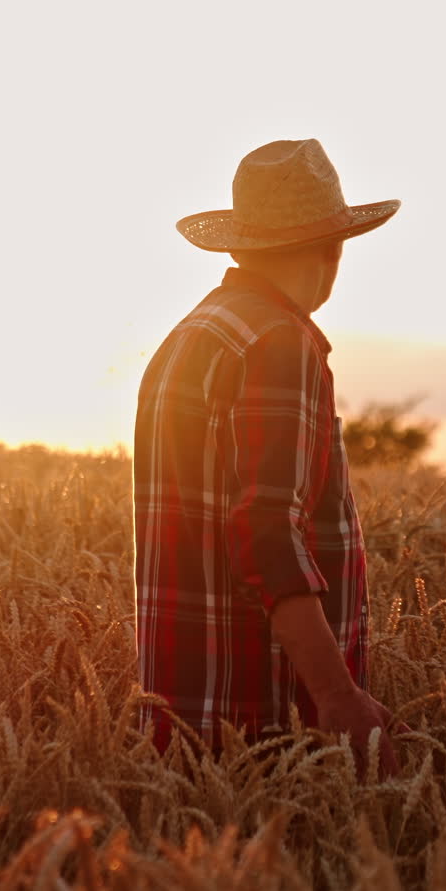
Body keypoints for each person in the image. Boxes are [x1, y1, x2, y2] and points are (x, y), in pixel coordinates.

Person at [133, 138, 404, 774]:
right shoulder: (281, 342)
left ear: (240, 247)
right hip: (267, 716)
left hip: (183, 708)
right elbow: (267, 532)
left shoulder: (194, 333)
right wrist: (336, 695)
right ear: (331, 250)